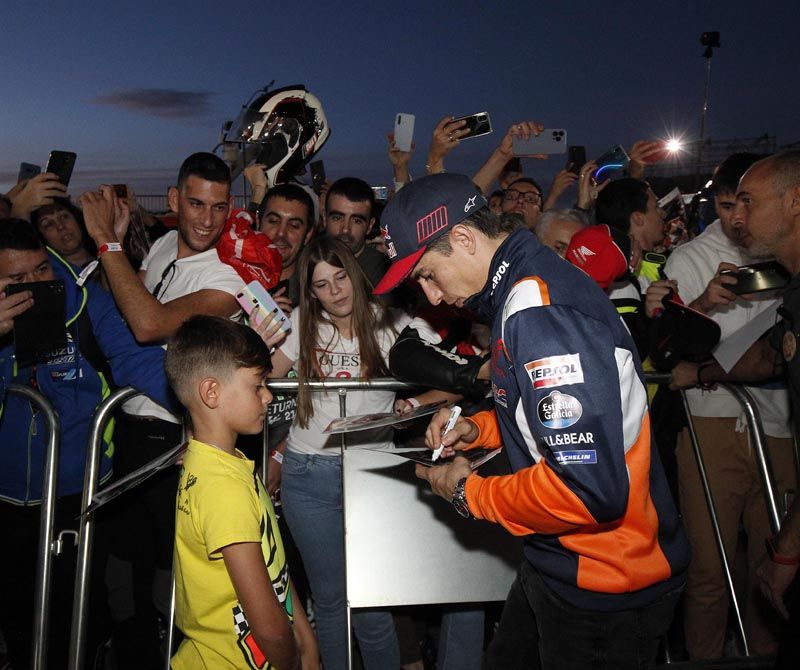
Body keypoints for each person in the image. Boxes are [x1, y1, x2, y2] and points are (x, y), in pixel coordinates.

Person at [373, 173, 689, 669]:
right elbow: (553, 412)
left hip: (605, 584)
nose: (431, 297)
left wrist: (467, 494)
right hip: (558, 563)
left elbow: (586, 490)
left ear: (462, 238)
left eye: (429, 275)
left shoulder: (537, 309)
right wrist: (479, 428)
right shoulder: (523, 284)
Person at [79, 152, 251, 667]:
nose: (207, 219)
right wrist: (121, 254)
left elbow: (149, 324)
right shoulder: (158, 246)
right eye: (196, 203)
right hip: (131, 431)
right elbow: (131, 300)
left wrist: (106, 241)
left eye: (220, 208)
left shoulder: (228, 276)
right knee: (121, 568)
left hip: (175, 445)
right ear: (175, 200)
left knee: (171, 580)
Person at [0, 218, 174, 668]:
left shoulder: (88, 306)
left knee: (74, 620)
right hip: (4, 500)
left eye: (41, 270)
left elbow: (144, 364)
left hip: (78, 498)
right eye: (16, 279)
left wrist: (206, 399)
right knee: (16, 620)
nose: (35, 284)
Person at [645, 152, 794, 659]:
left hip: (778, 427)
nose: (738, 218)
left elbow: (776, 352)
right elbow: (669, 346)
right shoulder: (688, 258)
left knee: (771, 564)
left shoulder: (785, 257)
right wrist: (705, 305)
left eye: (747, 204)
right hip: (710, 424)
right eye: (731, 204)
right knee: (711, 569)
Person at [268, 236, 406, 670]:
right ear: (309, 292)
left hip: (374, 474)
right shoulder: (301, 324)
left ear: (354, 272)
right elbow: (258, 378)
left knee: (372, 600)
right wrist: (257, 338)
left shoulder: (389, 322)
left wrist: (415, 404)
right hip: (309, 475)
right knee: (329, 601)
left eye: (341, 277)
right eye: (322, 285)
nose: (336, 291)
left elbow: (448, 372)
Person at [165, 315, 317, 669]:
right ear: (211, 392)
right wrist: (292, 660)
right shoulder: (223, 488)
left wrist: (305, 636)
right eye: (257, 385)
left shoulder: (225, 462)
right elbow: (268, 626)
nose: (268, 396)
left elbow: (272, 560)